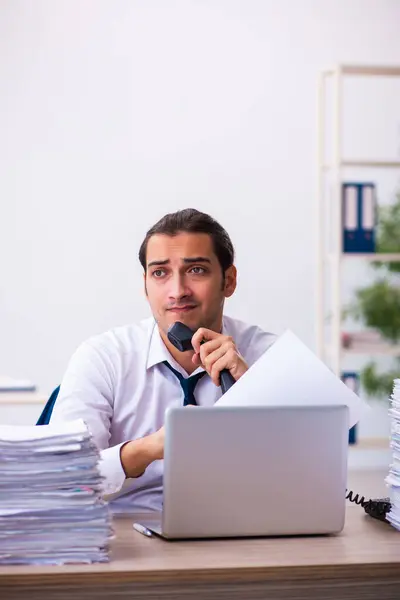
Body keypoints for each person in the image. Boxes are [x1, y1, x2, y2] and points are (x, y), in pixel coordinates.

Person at [50, 209, 276, 512]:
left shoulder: (271, 355)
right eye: (160, 273)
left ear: (229, 281)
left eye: (196, 270)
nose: (177, 291)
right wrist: (147, 449)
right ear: (145, 285)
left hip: (243, 532)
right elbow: (62, 480)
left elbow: (317, 465)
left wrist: (255, 390)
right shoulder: (102, 357)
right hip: (129, 538)